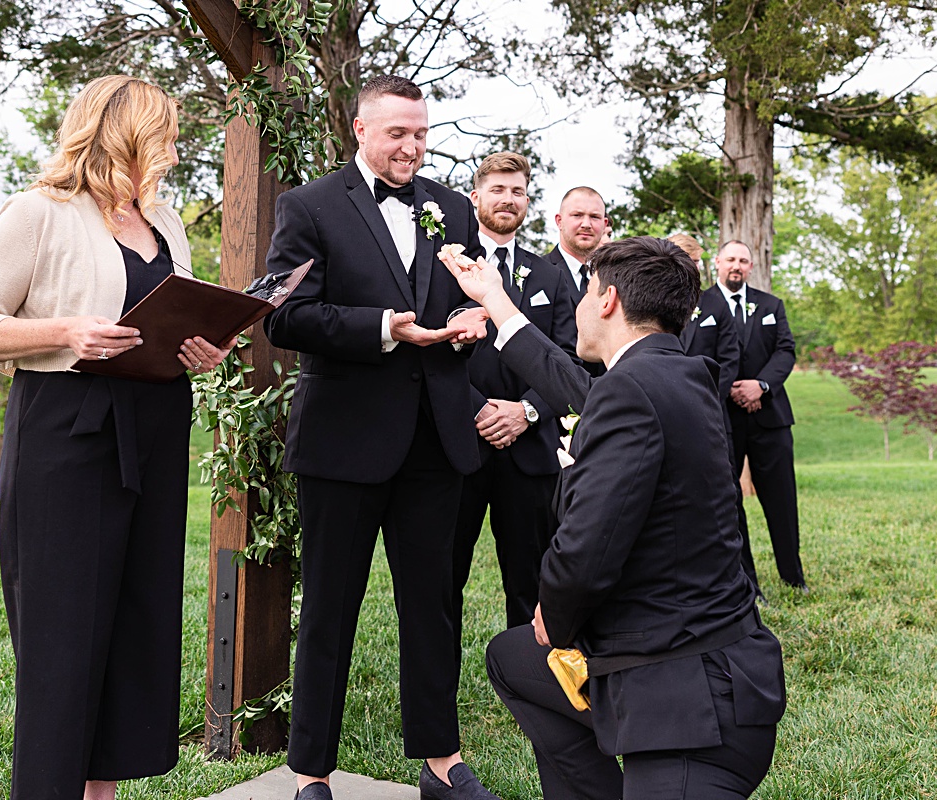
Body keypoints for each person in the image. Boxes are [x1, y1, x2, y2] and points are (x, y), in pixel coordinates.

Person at [0, 75, 236, 800]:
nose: (173, 144)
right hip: (66, 433)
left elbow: (172, 317)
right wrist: (65, 331)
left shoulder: (166, 223)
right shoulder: (38, 212)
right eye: (163, 129)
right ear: (124, 132)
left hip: (157, 427)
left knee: (137, 628)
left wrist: (204, 350)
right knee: (63, 637)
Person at [439, 237, 786, 799]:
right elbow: (581, 390)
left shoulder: (631, 392)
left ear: (607, 300)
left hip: (690, 714)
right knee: (514, 659)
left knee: (538, 644)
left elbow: (584, 557)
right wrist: (497, 302)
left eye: (584, 292)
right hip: (716, 670)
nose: (575, 306)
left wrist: (554, 612)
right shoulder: (681, 374)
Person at [263, 75, 499, 800]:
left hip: (437, 440)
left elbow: (467, 301)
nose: (412, 146)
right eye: (398, 132)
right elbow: (283, 314)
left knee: (432, 605)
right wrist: (381, 329)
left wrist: (471, 326)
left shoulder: (453, 208)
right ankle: (311, 773)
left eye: (422, 133)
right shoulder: (308, 206)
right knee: (331, 607)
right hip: (343, 441)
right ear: (360, 131)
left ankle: (440, 763)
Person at [453, 152, 578, 641]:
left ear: (528, 202)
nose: (508, 199)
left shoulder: (548, 275)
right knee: (445, 575)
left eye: (518, 191)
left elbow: (568, 355)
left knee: (530, 578)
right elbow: (428, 352)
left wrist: (527, 410)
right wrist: (478, 408)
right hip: (460, 443)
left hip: (530, 450)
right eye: (499, 189)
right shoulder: (447, 265)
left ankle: (530, 675)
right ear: (475, 197)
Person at [708, 240, 808, 591]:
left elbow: (785, 350)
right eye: (731, 259)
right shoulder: (699, 305)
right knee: (730, 503)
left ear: (751, 267)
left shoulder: (771, 305)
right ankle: (746, 581)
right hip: (724, 419)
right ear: (717, 262)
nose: (736, 265)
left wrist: (760, 385)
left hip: (771, 416)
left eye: (743, 261)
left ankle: (793, 576)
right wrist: (732, 390)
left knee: (782, 498)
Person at [670, 233, 760, 596]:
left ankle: (747, 582)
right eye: (682, 259)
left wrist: (700, 402)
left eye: (694, 261)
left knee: (727, 503)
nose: (689, 267)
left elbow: (729, 360)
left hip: (710, 418)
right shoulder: (650, 304)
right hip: (666, 418)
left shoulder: (714, 305)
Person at [546, 187, 610, 378]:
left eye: (595, 217)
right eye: (577, 215)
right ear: (559, 221)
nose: (586, 224)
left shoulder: (615, 277)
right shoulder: (540, 274)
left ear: (604, 223)